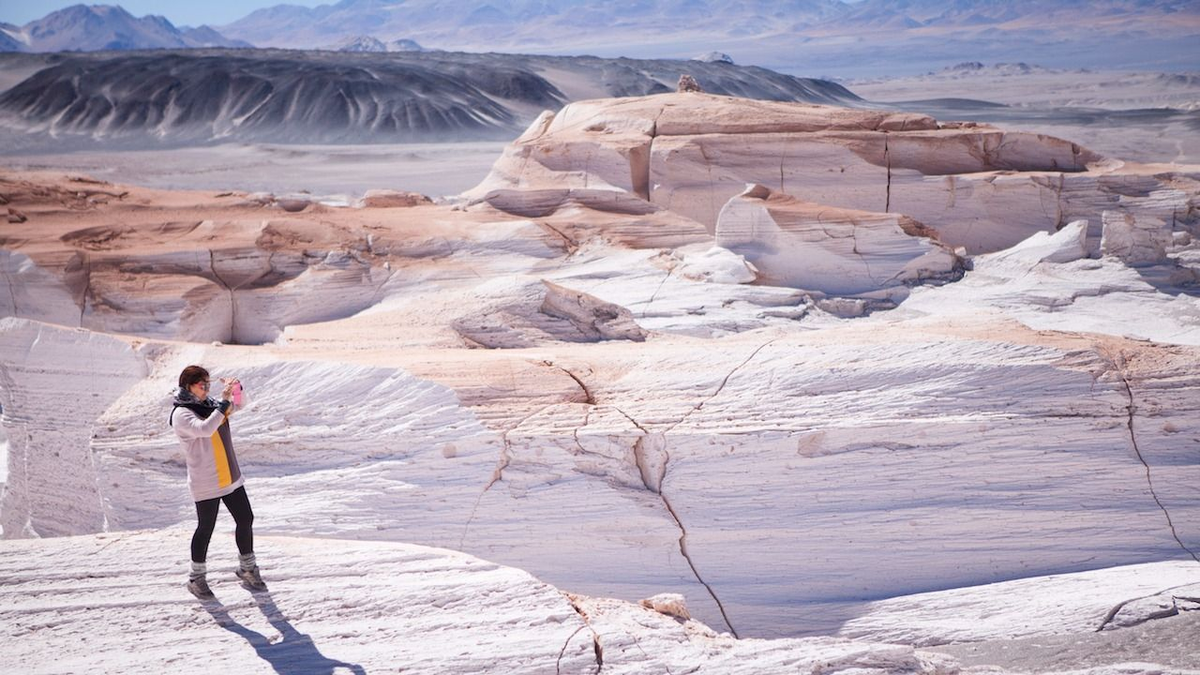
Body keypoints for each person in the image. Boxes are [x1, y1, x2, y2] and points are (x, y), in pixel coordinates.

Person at [170, 365, 265, 599]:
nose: (206, 389)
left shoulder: (211, 405)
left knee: (245, 519)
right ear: (188, 386)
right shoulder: (182, 413)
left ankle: (247, 568)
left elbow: (239, 404)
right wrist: (222, 403)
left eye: (208, 384)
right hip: (206, 481)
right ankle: (196, 578)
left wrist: (237, 389)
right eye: (202, 385)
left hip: (229, 475)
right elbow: (205, 429)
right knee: (205, 529)